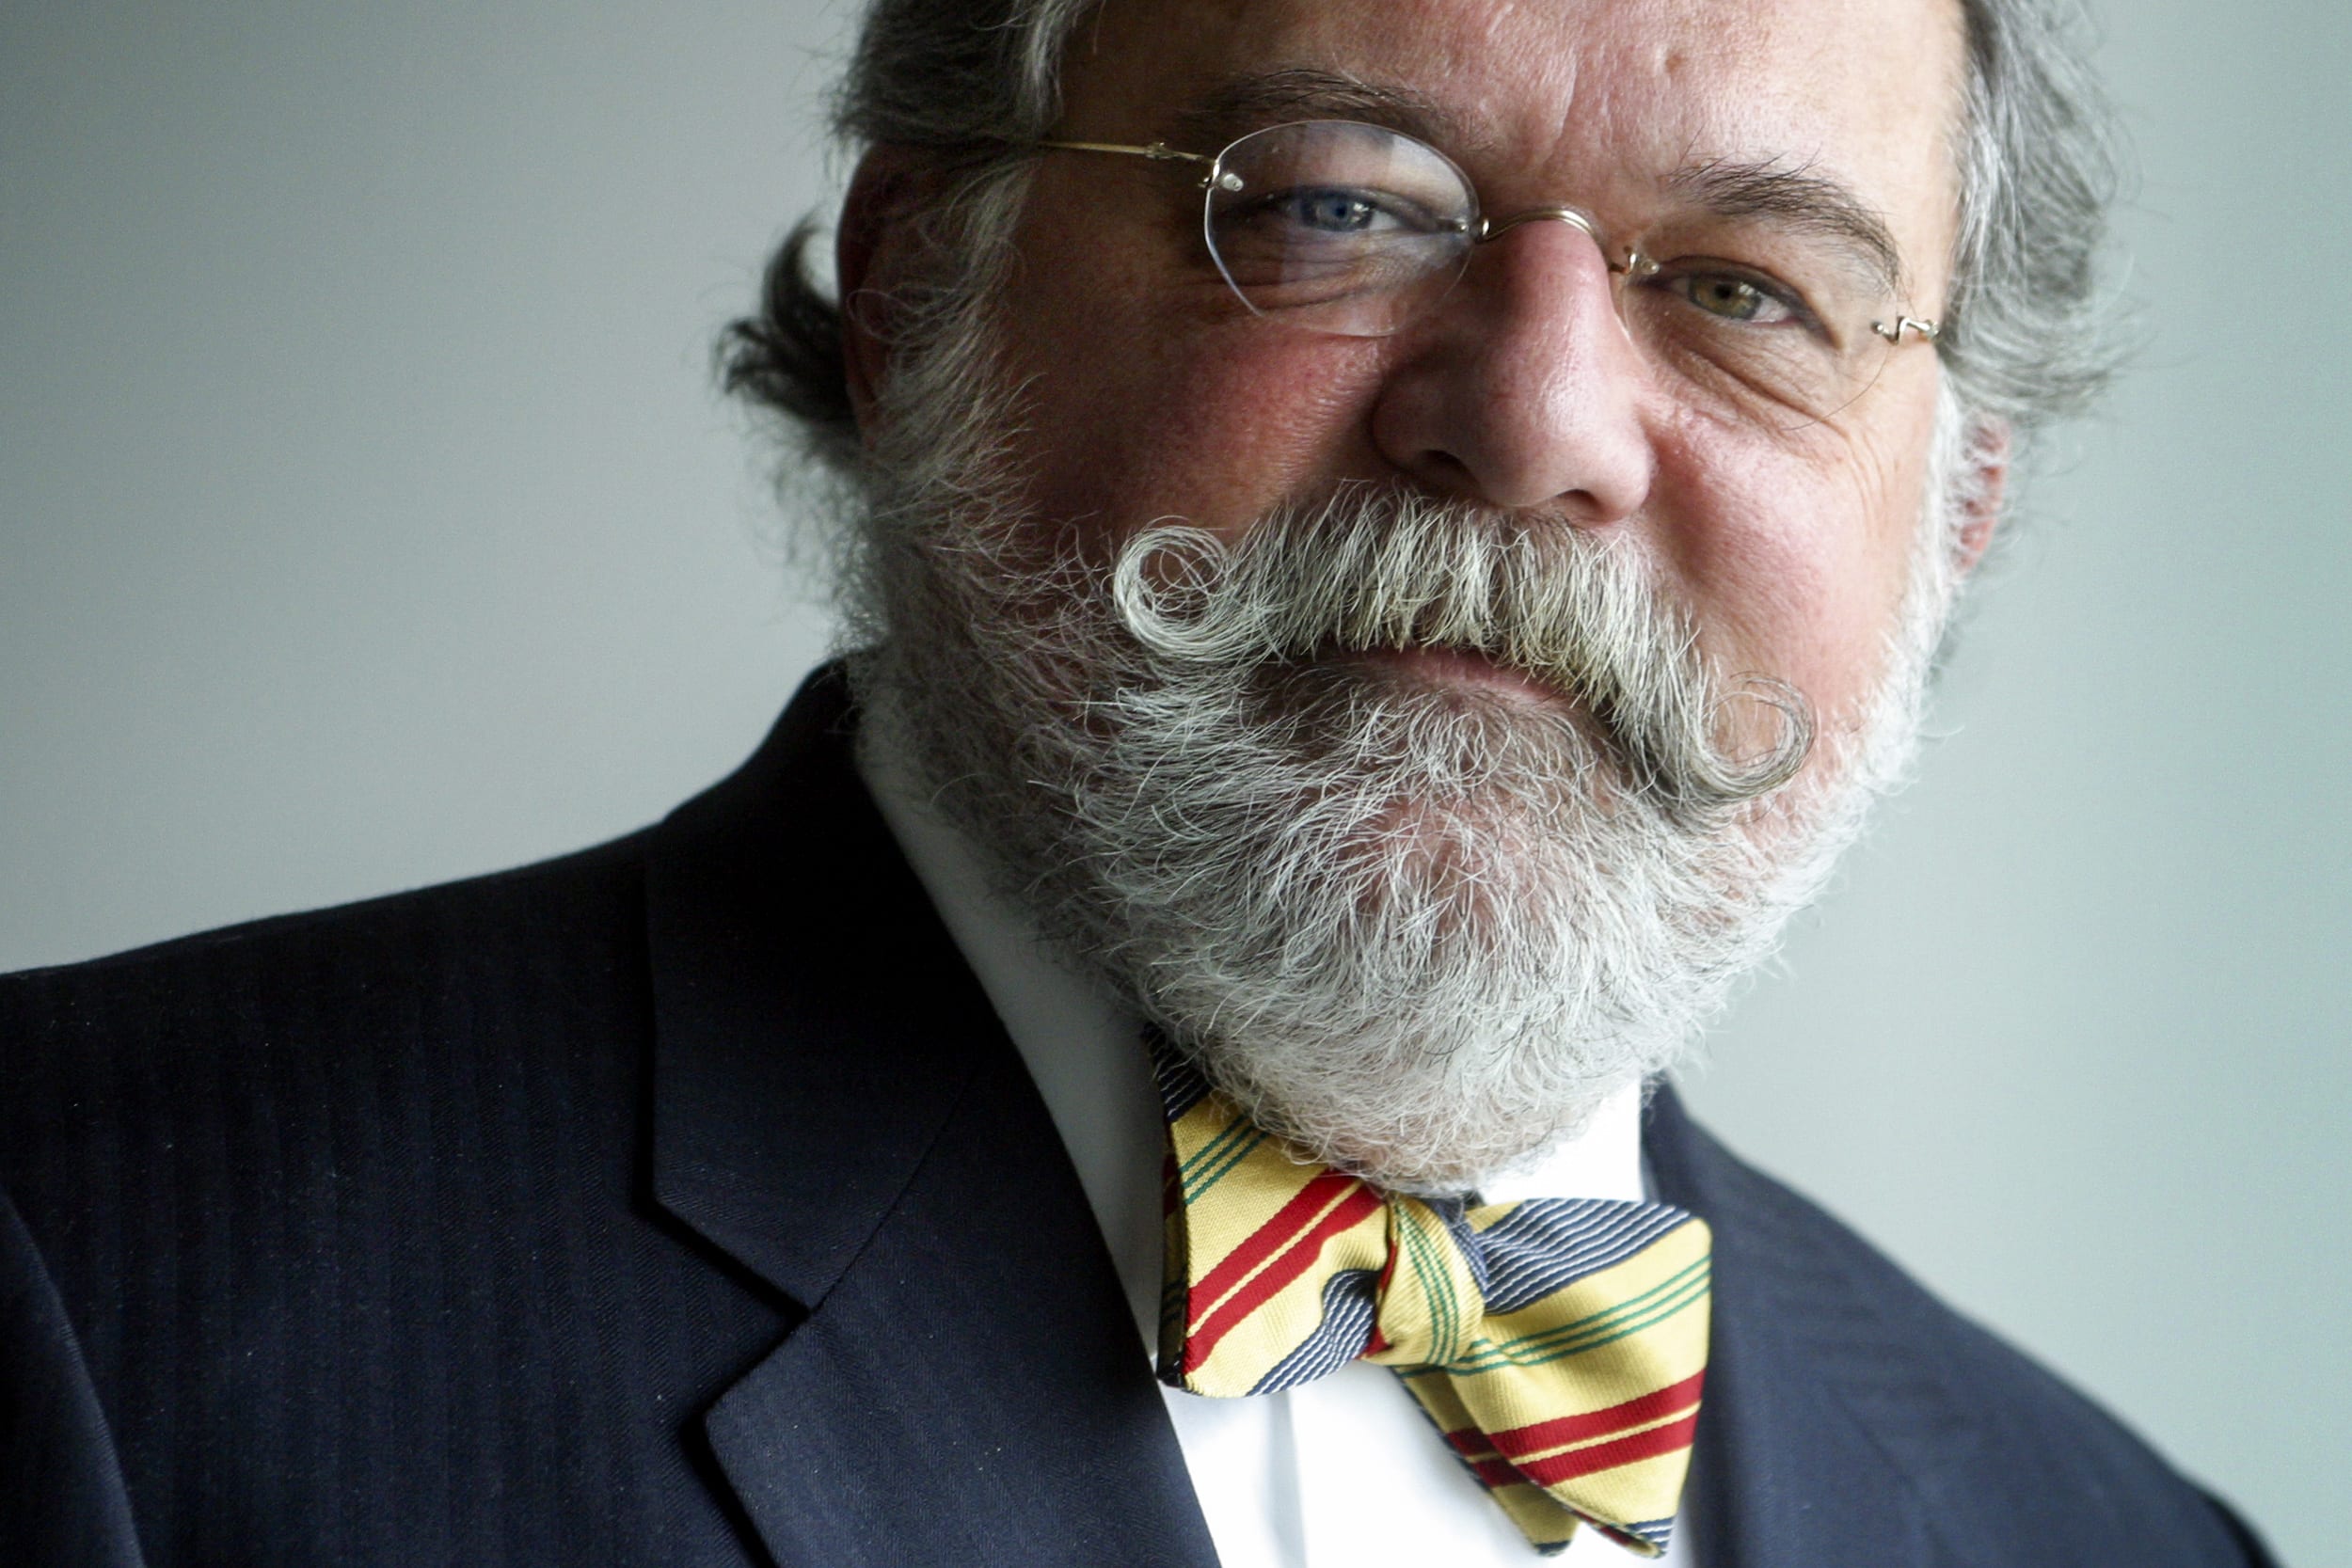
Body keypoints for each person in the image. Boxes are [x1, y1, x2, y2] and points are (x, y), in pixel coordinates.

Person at [0, 0, 2283, 1563]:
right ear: (915, 294)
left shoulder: (2102, 1533)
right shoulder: (90, 1281)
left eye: (1750, 291)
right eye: (1335, 200)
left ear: (1950, 510)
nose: (1539, 421)